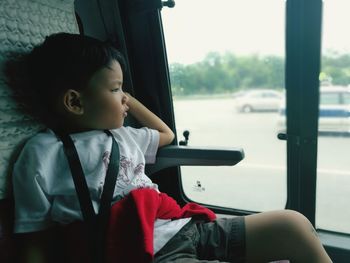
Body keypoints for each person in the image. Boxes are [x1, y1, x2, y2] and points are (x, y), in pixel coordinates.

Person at [6, 33, 332, 263]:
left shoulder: (124, 136)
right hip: (144, 252)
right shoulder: (43, 153)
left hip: (184, 228)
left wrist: (124, 98)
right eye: (116, 89)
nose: (124, 99)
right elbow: (34, 236)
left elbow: (166, 133)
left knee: (293, 225)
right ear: (75, 101)